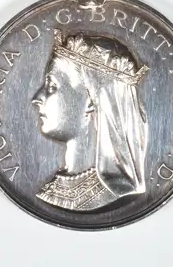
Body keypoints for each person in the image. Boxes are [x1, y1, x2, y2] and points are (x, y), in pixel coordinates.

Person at [31, 29, 149, 211]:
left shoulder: (114, 195)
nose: (37, 98)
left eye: (52, 86)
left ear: (91, 102)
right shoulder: (52, 189)